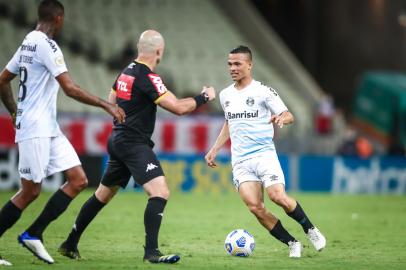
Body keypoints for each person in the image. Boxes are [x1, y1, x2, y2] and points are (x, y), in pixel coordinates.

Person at [58, 29, 215, 264]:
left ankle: (69, 243)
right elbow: (180, 109)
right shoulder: (148, 77)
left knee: (102, 195)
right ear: (159, 51)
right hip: (133, 143)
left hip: (119, 139)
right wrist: (204, 97)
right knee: (160, 192)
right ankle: (151, 252)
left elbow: (111, 101)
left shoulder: (126, 73)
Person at [0, 0, 125, 266]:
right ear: (59, 19)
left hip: (47, 126)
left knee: (78, 179)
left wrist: (13, 111)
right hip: (35, 127)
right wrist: (106, 104)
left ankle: (34, 233)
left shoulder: (27, 42)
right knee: (30, 192)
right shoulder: (47, 45)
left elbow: (2, 79)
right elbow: (70, 88)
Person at [205, 46, 326, 258]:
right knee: (255, 207)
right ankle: (291, 242)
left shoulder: (263, 91)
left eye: (237, 64)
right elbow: (229, 123)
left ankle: (310, 229)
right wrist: (214, 148)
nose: (232, 68)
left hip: (264, 154)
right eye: (230, 64)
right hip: (241, 161)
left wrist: (281, 119)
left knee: (277, 196)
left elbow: (288, 114)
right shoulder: (225, 95)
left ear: (249, 65)